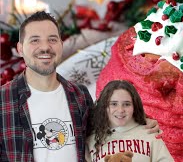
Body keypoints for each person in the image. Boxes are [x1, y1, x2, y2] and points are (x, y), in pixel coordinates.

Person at [0, 11, 159, 162]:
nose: (45, 47)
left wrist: (138, 123)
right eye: (35, 40)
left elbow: (104, 135)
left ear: (61, 45)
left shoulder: (79, 95)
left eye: (52, 39)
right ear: (20, 49)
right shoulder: (4, 100)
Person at [85, 80, 174, 162]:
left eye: (126, 104)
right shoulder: (91, 140)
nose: (120, 110)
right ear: (104, 107)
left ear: (134, 106)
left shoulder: (150, 132)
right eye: (114, 104)